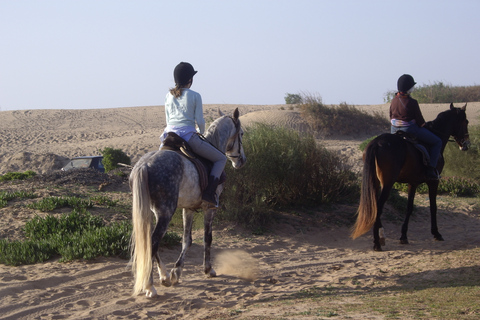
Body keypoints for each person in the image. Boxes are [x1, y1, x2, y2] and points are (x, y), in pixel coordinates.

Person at [161, 62, 227, 206]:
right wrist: (200, 132)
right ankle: (209, 194)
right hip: (188, 137)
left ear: (175, 80)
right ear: (190, 80)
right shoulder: (195, 95)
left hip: (168, 137)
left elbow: (167, 120)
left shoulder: (168, 96)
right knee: (221, 159)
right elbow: (200, 120)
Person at [390, 74, 442, 180]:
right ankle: (431, 169)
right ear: (408, 88)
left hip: (394, 129)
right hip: (409, 129)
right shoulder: (412, 102)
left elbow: (390, 115)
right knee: (438, 142)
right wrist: (424, 126)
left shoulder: (393, 100)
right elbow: (420, 121)